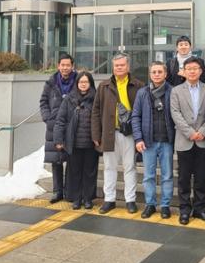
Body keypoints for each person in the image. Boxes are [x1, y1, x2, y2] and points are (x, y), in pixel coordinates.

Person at [91, 53, 144, 214]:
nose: (119, 68)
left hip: (130, 133)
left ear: (128, 66)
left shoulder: (138, 85)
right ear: (113, 67)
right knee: (109, 167)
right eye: (116, 65)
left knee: (130, 167)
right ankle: (109, 200)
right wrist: (96, 135)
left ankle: (130, 200)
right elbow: (96, 111)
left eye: (122, 65)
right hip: (109, 133)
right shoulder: (103, 86)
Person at [170, 57, 205, 225]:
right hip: (184, 139)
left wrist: (203, 131)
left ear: (201, 71)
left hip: (203, 139)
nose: (192, 71)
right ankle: (184, 210)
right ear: (184, 71)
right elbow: (175, 114)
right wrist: (190, 132)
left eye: (195, 68)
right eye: (189, 68)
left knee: (201, 177)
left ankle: (200, 208)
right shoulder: (176, 91)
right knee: (183, 177)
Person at [132, 61, 175, 219]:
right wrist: (138, 138)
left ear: (165, 74)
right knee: (148, 176)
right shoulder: (142, 93)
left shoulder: (172, 91)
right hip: (148, 142)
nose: (156, 74)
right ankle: (150, 204)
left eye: (159, 72)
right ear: (150, 75)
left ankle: (165, 206)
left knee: (167, 175)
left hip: (166, 141)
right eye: (154, 72)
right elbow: (135, 116)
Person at [53, 71, 98, 210]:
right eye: (81, 82)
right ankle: (76, 198)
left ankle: (88, 198)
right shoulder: (69, 99)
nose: (83, 84)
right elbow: (60, 120)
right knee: (75, 172)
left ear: (90, 83)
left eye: (86, 82)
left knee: (90, 172)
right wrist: (58, 139)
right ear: (77, 83)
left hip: (91, 143)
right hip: (73, 143)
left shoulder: (96, 98)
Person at [40, 53, 77, 204]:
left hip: (72, 126)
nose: (65, 68)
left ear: (72, 66)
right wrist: (47, 118)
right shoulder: (51, 83)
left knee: (71, 160)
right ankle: (57, 191)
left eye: (68, 65)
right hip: (54, 126)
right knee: (56, 160)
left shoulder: (78, 81)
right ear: (58, 66)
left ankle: (69, 191)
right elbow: (43, 102)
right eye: (63, 65)